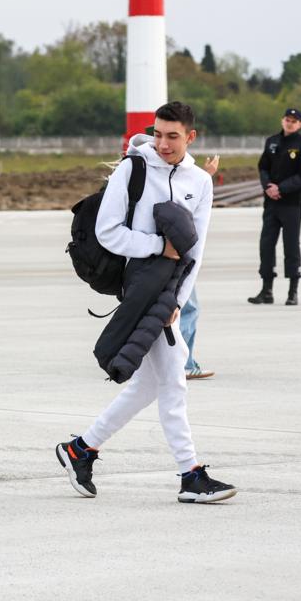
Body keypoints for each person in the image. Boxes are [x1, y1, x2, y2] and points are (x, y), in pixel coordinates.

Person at [56, 102, 237, 504]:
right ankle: (190, 475)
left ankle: (80, 449)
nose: (163, 144)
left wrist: (179, 301)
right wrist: (158, 246)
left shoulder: (200, 181)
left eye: (173, 136)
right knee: (172, 380)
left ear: (191, 137)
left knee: (150, 385)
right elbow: (107, 232)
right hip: (138, 286)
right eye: (157, 134)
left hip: (170, 291)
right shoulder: (133, 169)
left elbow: (196, 250)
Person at [248, 108, 301, 306]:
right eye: (287, 119)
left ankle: (292, 292)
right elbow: (263, 167)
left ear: (300, 124)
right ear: (282, 120)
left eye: (294, 121)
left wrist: (281, 188)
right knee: (266, 245)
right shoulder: (272, 142)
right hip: (271, 203)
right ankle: (266, 290)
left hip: (292, 204)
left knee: (291, 246)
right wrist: (268, 186)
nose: (290, 123)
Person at [180, 155, 220, 380]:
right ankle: (183, 364)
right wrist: (205, 176)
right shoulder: (167, 170)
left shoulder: (134, 170)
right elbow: (186, 201)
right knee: (188, 308)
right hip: (175, 253)